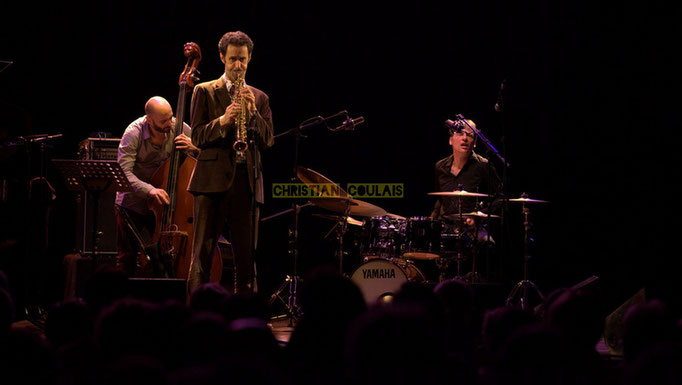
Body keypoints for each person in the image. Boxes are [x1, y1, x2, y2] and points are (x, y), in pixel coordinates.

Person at [187, 31, 274, 294]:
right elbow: (198, 136)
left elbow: (268, 140)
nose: (238, 66)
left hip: (246, 183)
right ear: (222, 57)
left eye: (243, 60)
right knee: (202, 256)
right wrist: (223, 121)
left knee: (246, 260)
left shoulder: (259, 97)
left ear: (250, 59)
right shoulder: (204, 91)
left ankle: (246, 314)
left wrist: (254, 113)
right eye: (233, 59)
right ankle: (195, 312)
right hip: (210, 182)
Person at [115, 96, 198, 276]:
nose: (170, 123)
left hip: (161, 207)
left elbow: (201, 153)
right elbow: (123, 173)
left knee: (162, 256)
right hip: (133, 202)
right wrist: (150, 190)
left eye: (171, 117)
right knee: (127, 257)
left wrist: (194, 147)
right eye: (164, 120)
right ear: (149, 120)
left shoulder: (178, 126)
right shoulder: (133, 133)